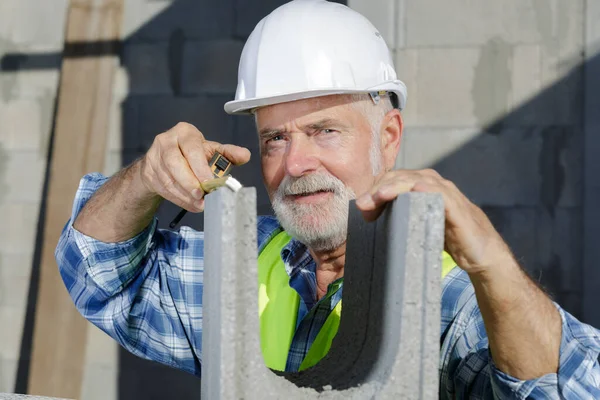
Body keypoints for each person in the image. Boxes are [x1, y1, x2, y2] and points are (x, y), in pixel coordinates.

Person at [56, 0, 600, 398]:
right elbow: (95, 273)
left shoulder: (449, 301)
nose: (295, 164)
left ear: (388, 137)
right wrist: (143, 180)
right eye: (275, 138)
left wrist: (494, 268)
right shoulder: (247, 264)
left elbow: (568, 391)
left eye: (325, 132)